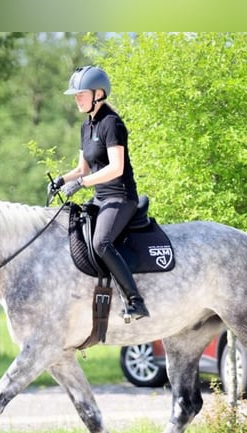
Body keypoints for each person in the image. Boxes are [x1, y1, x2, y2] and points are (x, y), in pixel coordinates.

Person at [49, 65, 150, 320]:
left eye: (81, 93)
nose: (76, 98)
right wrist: (62, 179)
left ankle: (136, 300)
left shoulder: (111, 124)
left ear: (98, 93)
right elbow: (82, 168)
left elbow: (116, 168)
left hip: (121, 197)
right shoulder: (87, 126)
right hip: (100, 197)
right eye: (75, 94)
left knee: (100, 242)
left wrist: (82, 184)